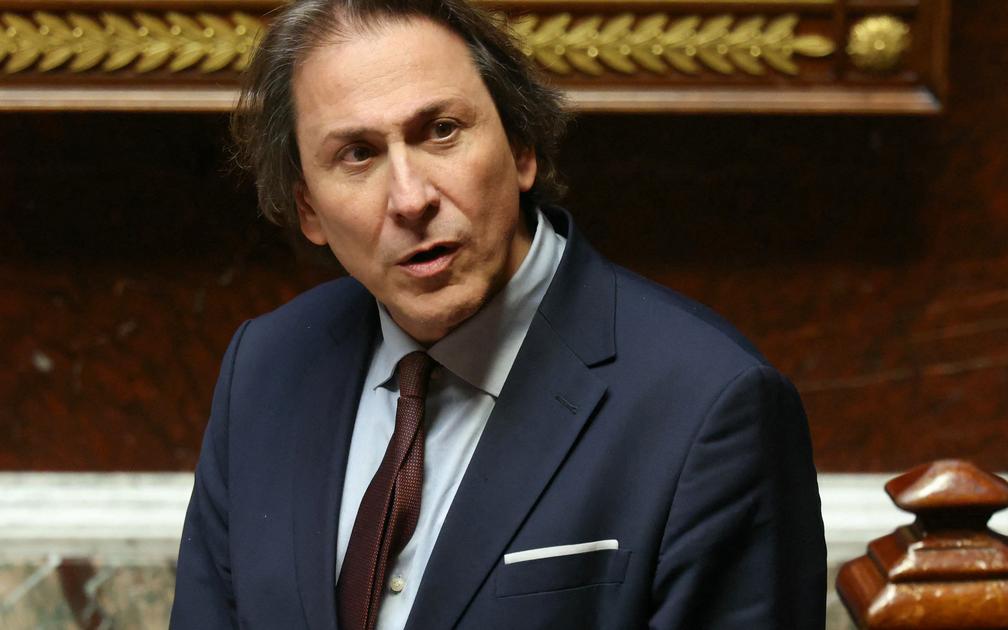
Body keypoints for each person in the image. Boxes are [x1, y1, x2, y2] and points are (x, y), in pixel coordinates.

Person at [170, 0, 826, 628]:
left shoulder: (711, 405)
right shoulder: (264, 367)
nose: (410, 199)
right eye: (358, 154)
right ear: (309, 208)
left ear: (521, 148)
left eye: (441, 131)